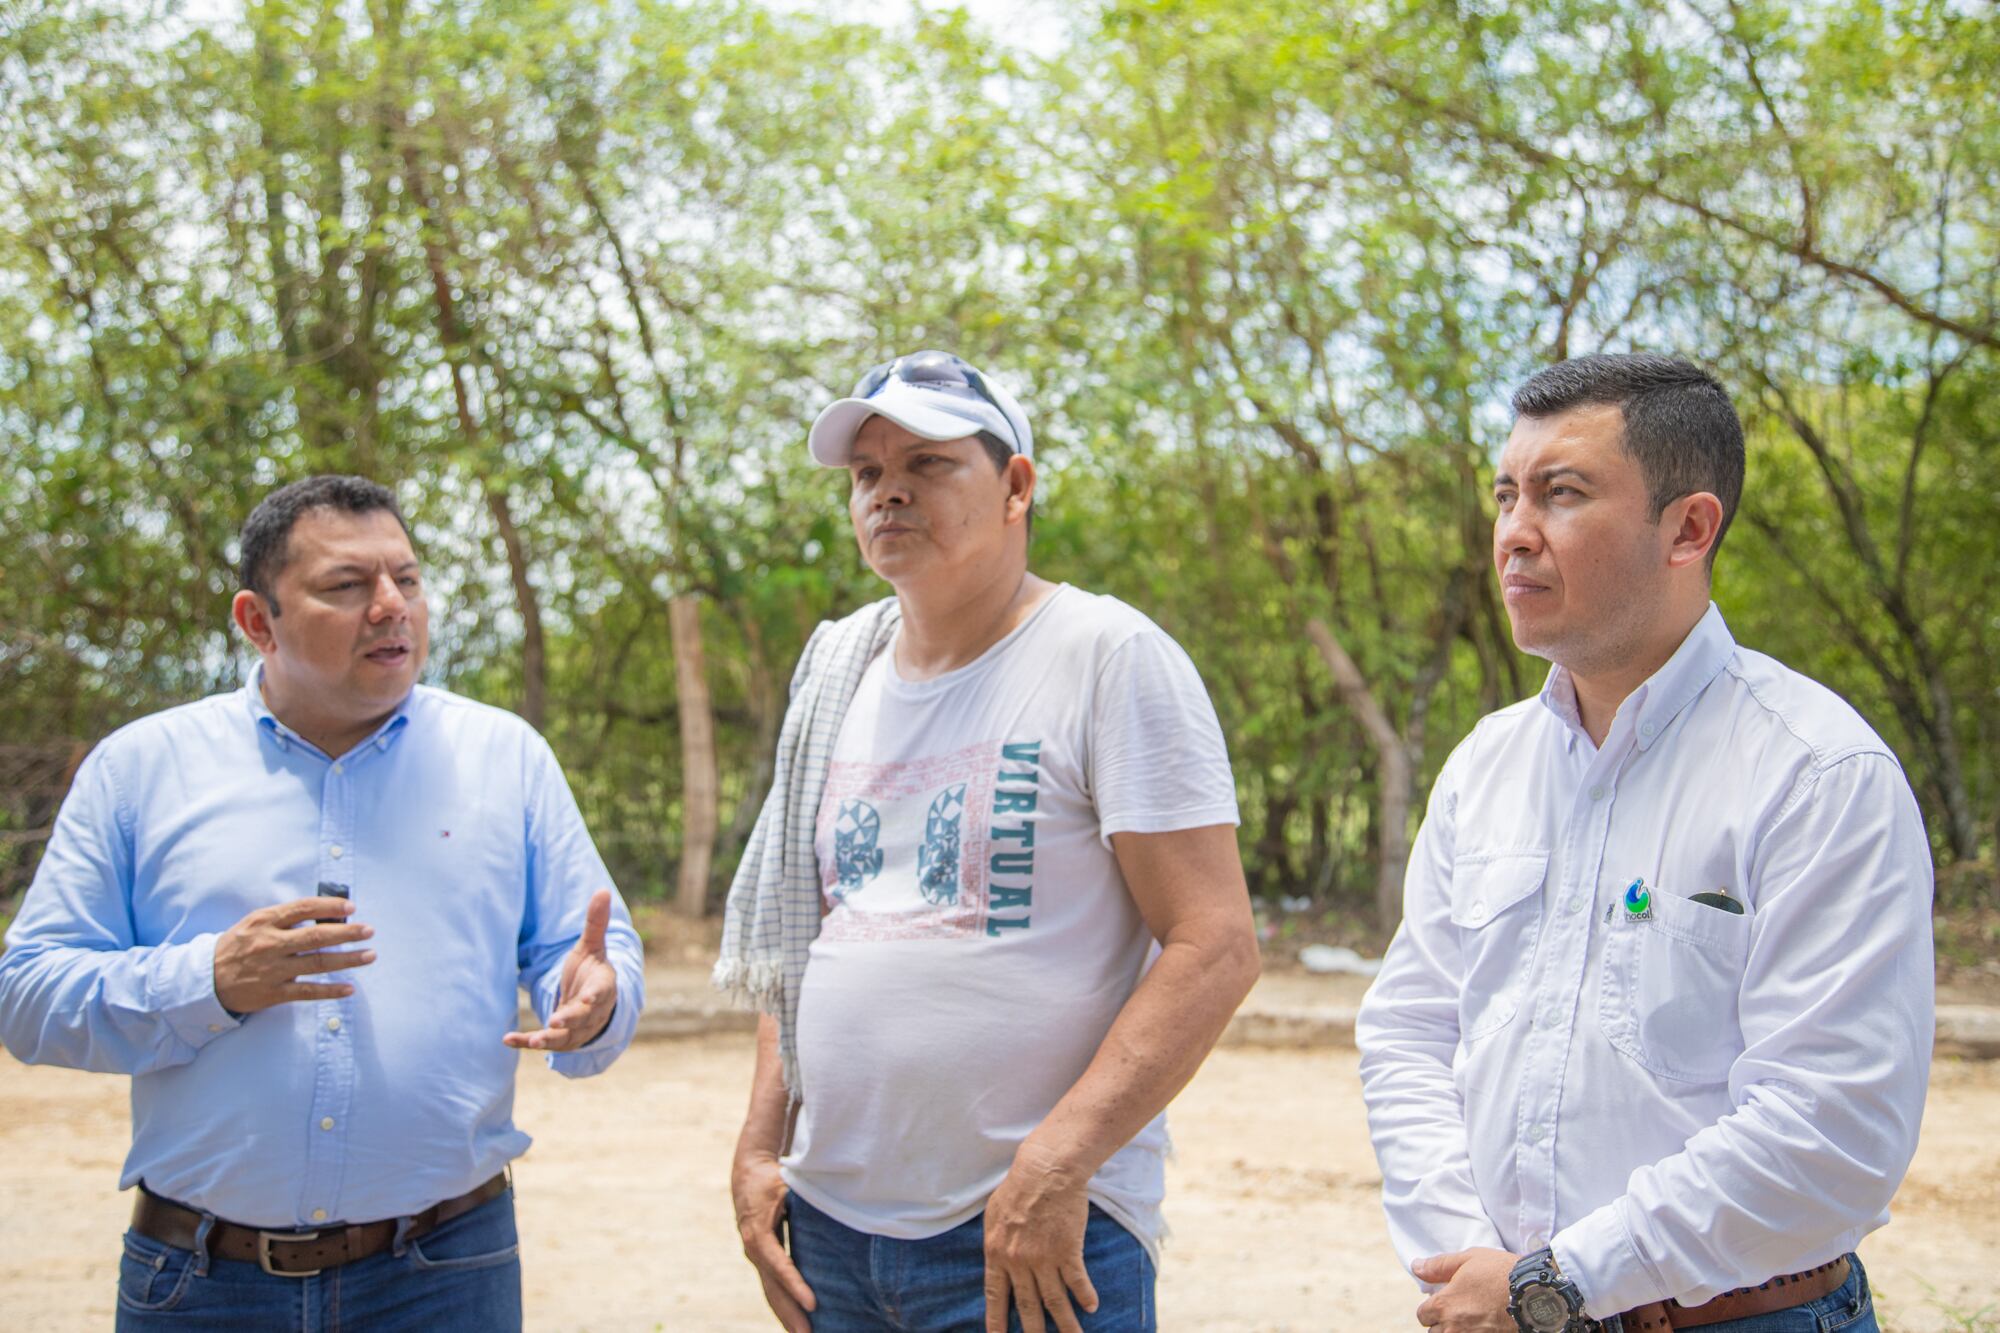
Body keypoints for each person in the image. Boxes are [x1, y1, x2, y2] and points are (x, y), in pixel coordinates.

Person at [1355, 354, 1933, 1333]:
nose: (1512, 533)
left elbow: (1831, 1124)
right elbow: (1409, 1031)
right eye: (1504, 495)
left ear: (1687, 528)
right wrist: (1478, 1271)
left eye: (1560, 493)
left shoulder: (1816, 773)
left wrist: (1556, 1279)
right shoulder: (1485, 767)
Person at [0, 475, 646, 1332]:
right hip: (200, 1282)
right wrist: (210, 980)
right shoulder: (138, 772)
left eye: (407, 580)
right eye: (347, 586)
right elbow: (29, 996)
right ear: (256, 621)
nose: (391, 607)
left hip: (445, 1273)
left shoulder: (506, 759)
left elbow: (591, 954)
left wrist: (595, 1001)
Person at [716, 350, 1261, 1333]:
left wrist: (1055, 1164)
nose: (889, 492)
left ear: (1015, 485)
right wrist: (759, 1147)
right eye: (866, 473)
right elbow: (810, 940)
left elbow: (1213, 943)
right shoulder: (839, 671)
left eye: (926, 464)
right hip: (831, 1234)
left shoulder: (1105, 657)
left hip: (1029, 1233)